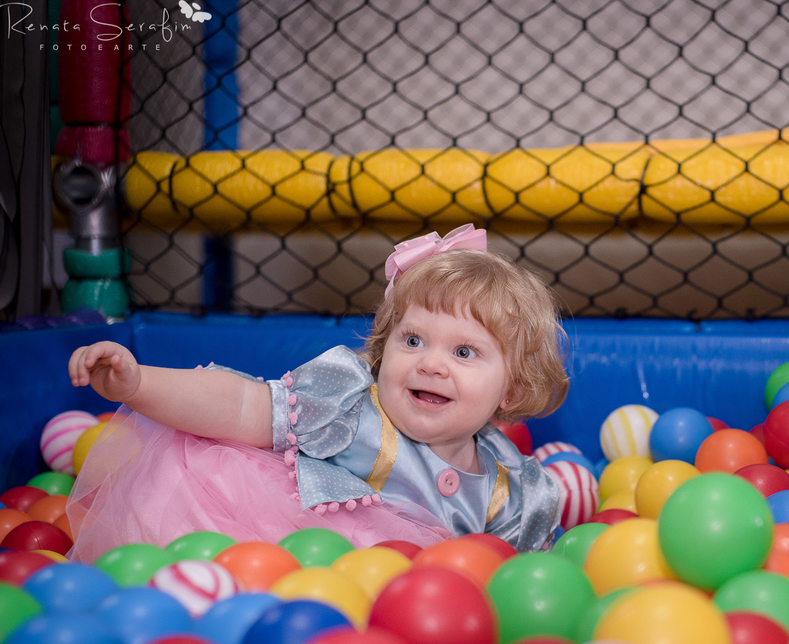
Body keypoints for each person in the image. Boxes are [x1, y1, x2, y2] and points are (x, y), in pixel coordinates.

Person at [65, 225, 568, 562]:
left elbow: (517, 581)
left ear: (512, 389)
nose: (430, 363)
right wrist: (140, 383)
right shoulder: (349, 411)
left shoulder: (513, 490)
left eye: (464, 353)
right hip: (294, 561)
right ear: (383, 348)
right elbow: (242, 403)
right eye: (412, 340)